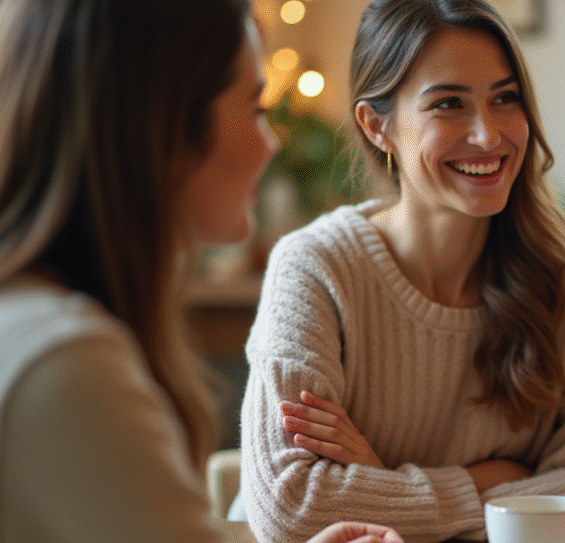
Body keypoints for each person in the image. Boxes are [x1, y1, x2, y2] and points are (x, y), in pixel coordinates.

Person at [232, 0, 565, 542]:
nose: (488, 134)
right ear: (377, 126)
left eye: (506, 99)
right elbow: (293, 505)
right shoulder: (316, 266)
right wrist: (497, 483)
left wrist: (379, 480)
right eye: (448, 104)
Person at [0, 1, 402, 542]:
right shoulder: (68, 364)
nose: (272, 142)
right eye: (255, 107)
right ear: (168, 123)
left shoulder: (35, 322)